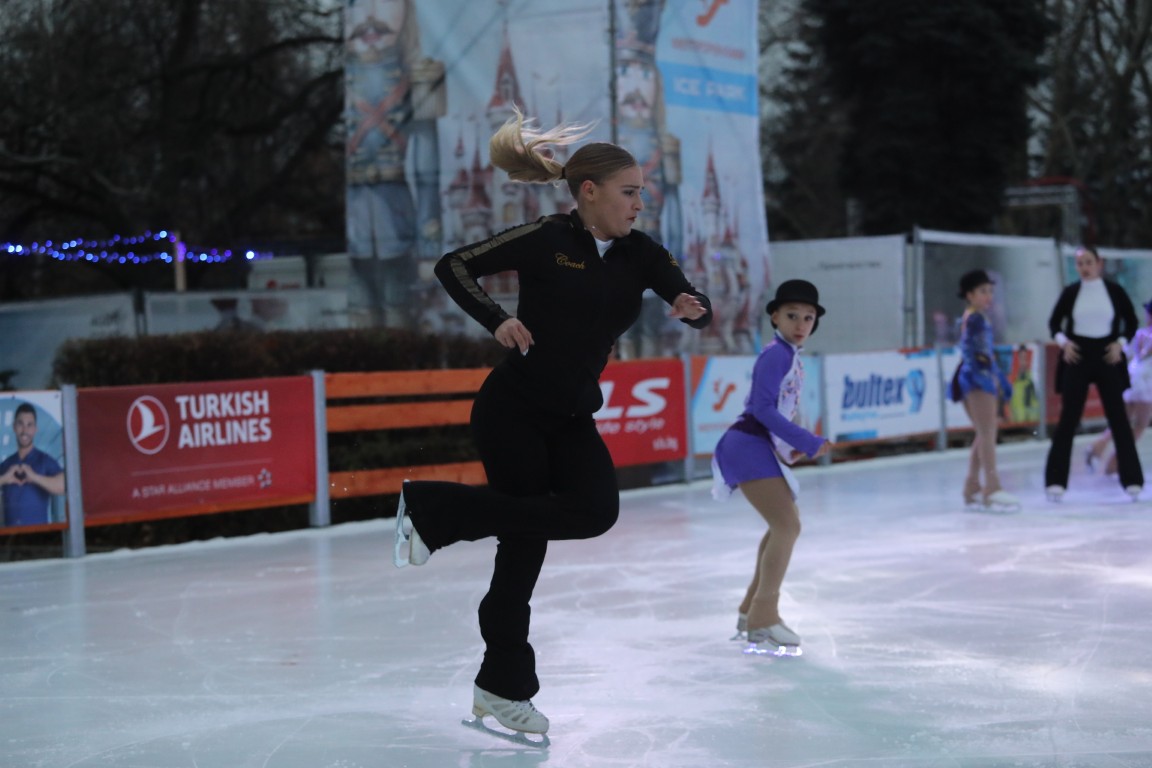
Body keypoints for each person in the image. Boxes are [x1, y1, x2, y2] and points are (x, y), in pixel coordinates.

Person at [391, 108, 712, 740]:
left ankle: (432, 511)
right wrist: (496, 319)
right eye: (629, 192)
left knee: (595, 512)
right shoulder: (546, 238)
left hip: (569, 416)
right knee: (524, 550)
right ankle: (503, 690)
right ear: (588, 193)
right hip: (512, 411)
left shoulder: (640, 253)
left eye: (643, 191)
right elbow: (454, 265)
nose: (640, 203)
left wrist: (687, 306)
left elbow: (686, 295)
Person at [711, 279, 832, 655]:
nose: (801, 323)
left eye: (808, 317)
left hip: (753, 444)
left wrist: (789, 448)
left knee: (781, 525)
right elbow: (761, 409)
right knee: (787, 525)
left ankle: (751, 611)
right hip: (746, 443)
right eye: (792, 315)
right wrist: (807, 441)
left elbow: (774, 410)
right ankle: (764, 616)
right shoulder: (776, 355)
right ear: (775, 317)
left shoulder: (788, 355)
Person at [1044, 246, 1143, 501]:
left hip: (1107, 355)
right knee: (1069, 419)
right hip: (1078, 355)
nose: (1084, 267)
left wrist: (1119, 343)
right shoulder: (1071, 293)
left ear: (1098, 263)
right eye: (1079, 263)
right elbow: (1054, 323)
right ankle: (1055, 482)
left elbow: (1131, 322)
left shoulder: (1114, 291)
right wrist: (1064, 343)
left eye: (1088, 262)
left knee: (1118, 418)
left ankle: (1132, 480)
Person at [950, 270, 1018, 510]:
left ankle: (972, 486)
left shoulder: (977, 316)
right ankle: (992, 487)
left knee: (984, 432)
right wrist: (989, 377)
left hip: (979, 376)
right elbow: (976, 354)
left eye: (990, 291)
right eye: (982, 291)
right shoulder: (976, 318)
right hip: (977, 378)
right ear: (969, 295)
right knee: (988, 433)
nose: (988, 296)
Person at [1085, 298, 1152, 475]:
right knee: (1140, 424)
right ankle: (1115, 461)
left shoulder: (1141, 333)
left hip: (1133, 376)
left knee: (1121, 422)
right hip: (1145, 380)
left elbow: (1131, 353)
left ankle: (1097, 447)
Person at [0, 402, 66, 526]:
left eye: (29, 425)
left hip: (38, 539)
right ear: (14, 427)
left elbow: (65, 485)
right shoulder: (5, 465)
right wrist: (4, 479)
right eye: (20, 424)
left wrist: (34, 477)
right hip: (9, 540)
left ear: (35, 429)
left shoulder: (45, 461)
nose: (25, 430)